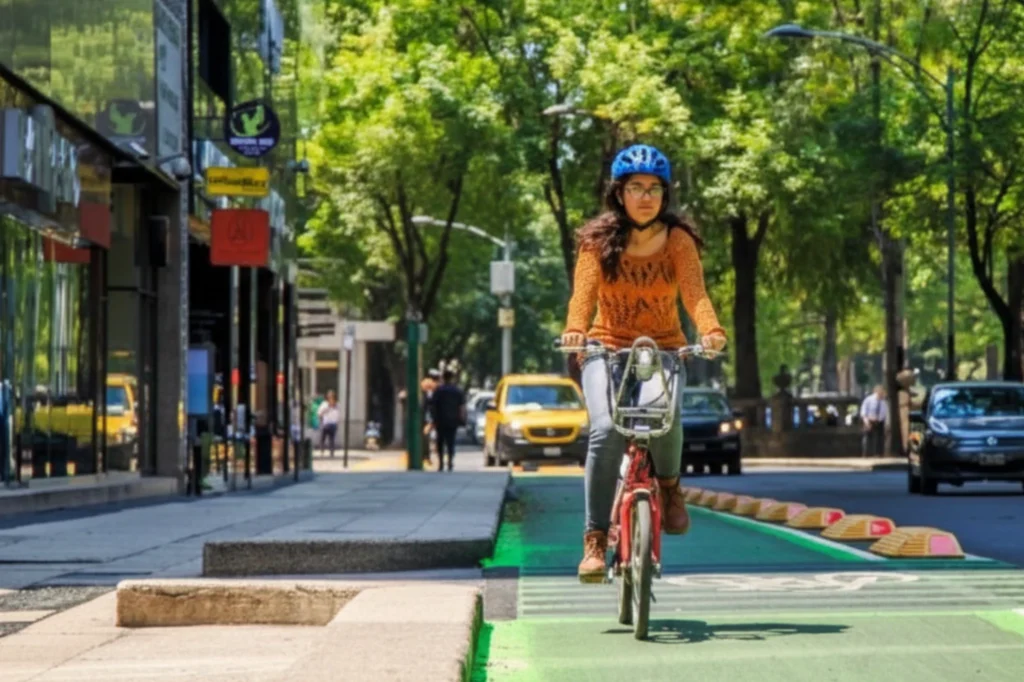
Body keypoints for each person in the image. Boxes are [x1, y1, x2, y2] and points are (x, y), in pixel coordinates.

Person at [560, 143, 728, 583]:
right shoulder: (595, 243)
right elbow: (583, 296)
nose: (646, 196)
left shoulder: (678, 241)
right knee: (604, 431)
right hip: (604, 348)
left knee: (667, 419)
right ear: (619, 193)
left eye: (655, 188)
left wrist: (710, 331)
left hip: (664, 348)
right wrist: (576, 329)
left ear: (665, 195)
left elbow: (695, 293)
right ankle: (595, 539)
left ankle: (670, 490)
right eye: (636, 187)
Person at [428, 369, 467, 471]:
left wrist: (433, 419)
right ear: (452, 378)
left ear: (443, 378)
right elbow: (461, 407)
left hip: (440, 420)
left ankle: (441, 463)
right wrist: (462, 419)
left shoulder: (438, 391)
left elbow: (433, 406)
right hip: (452, 420)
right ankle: (450, 462)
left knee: (440, 441)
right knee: (451, 442)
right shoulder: (457, 391)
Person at [860, 384, 888, 457]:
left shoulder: (883, 402)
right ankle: (866, 454)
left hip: (879, 421)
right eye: (880, 393)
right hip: (869, 420)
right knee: (867, 438)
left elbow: (884, 413)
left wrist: (878, 419)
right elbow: (863, 411)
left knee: (880, 438)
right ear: (876, 392)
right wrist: (866, 421)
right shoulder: (868, 400)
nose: (882, 394)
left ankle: (878, 454)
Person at [317, 390, 340, 457]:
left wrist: (337, 423)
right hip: (325, 424)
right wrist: (321, 419)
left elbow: (338, 415)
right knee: (322, 438)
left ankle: (332, 452)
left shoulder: (337, 405)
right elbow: (319, 413)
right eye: (329, 397)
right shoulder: (324, 404)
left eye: (332, 397)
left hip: (333, 424)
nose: (331, 399)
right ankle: (322, 450)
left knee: (332, 439)